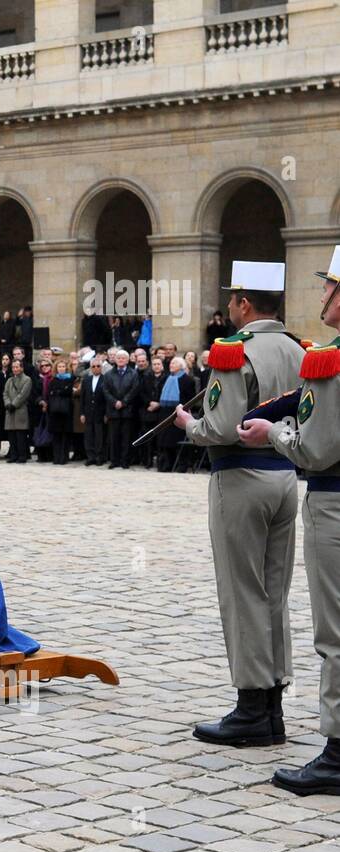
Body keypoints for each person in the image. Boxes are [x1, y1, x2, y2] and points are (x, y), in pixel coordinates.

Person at [175, 260, 303, 747]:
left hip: (240, 478)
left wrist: (191, 426)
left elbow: (223, 426)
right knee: (274, 592)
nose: (229, 305)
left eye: (232, 298)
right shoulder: (297, 349)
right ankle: (273, 703)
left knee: (241, 591)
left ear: (245, 304)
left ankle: (252, 706)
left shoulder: (233, 351)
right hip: (285, 476)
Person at [238, 245, 340, 793]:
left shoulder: (331, 358)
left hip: (332, 502)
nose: (322, 294)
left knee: (336, 633)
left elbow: (317, 449)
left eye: (330, 286)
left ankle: (338, 752)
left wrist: (271, 433)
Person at [154, 356, 196, 472]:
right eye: (171, 363)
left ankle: (181, 465)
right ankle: (166, 464)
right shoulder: (165, 378)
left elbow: (190, 398)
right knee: (165, 441)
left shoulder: (187, 380)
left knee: (178, 440)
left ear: (181, 366)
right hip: (165, 413)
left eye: (174, 363)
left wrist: (184, 410)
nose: (171, 365)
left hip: (179, 413)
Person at [101, 349, 139, 468]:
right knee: (113, 438)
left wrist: (123, 402)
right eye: (119, 358)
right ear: (115, 360)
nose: (121, 360)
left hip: (127, 410)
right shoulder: (108, 375)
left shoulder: (133, 373)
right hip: (113, 411)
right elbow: (105, 390)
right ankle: (114, 461)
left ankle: (125, 461)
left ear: (127, 360)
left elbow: (134, 390)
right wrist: (114, 402)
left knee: (126, 438)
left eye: (123, 358)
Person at [79, 356, 109, 466]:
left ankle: (99, 457)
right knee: (88, 436)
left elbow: (107, 399)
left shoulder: (106, 379)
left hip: (100, 413)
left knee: (99, 436)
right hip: (88, 413)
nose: (96, 368)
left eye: (98, 366)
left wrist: (106, 413)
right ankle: (90, 457)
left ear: (101, 367)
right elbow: (82, 397)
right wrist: (82, 413)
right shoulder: (86, 380)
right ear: (90, 368)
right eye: (93, 366)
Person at [3, 358, 32, 464]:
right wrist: (7, 404)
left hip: (20, 410)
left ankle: (22, 456)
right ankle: (13, 455)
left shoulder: (27, 379)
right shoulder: (9, 380)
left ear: (21, 368)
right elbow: (5, 393)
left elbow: (23, 395)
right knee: (12, 436)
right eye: (13, 367)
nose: (15, 369)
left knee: (21, 436)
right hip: (10, 411)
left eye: (17, 367)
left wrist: (14, 404)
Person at [48, 358, 75, 465]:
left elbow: (68, 391)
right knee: (56, 435)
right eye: (59, 367)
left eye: (63, 366)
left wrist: (59, 391)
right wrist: (61, 391)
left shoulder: (70, 379)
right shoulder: (53, 380)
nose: (61, 369)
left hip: (67, 410)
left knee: (65, 435)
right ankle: (56, 457)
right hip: (55, 411)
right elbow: (51, 392)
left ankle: (64, 457)